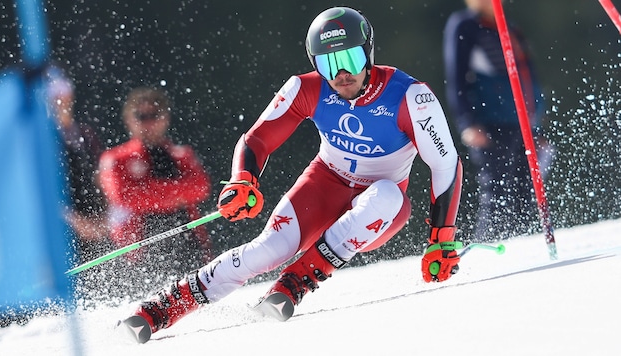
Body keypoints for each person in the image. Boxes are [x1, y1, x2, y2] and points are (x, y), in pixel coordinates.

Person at [119, 7, 464, 344]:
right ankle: (161, 308)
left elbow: (446, 163)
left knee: (387, 194)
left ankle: (293, 284)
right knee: (267, 251)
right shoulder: (306, 88)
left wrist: (441, 237)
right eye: (329, 63)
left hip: (380, 210)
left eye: (352, 60)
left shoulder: (411, 96)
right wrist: (243, 179)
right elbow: (256, 139)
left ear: (369, 53)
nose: (342, 73)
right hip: (325, 184)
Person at [443, 0, 553, 242]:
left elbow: (527, 76)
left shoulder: (509, 27)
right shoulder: (465, 26)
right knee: (498, 195)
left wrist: (538, 128)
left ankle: (525, 245)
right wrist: (467, 123)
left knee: (527, 193)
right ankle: (491, 247)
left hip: (525, 124)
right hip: (491, 124)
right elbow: (456, 77)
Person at [98, 87, 214, 298]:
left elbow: (201, 187)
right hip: (140, 252)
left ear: (166, 118)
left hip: (189, 247)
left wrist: (152, 191)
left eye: (155, 115)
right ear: (128, 120)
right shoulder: (115, 158)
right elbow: (125, 197)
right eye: (141, 116)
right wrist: (177, 193)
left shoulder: (181, 154)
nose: (149, 123)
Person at [45, 66, 111, 263]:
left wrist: (105, 220)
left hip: (95, 226)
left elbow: (102, 178)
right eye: (55, 100)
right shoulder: (43, 143)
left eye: (65, 98)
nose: (61, 104)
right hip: (63, 230)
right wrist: (77, 222)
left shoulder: (85, 134)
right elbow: (43, 192)